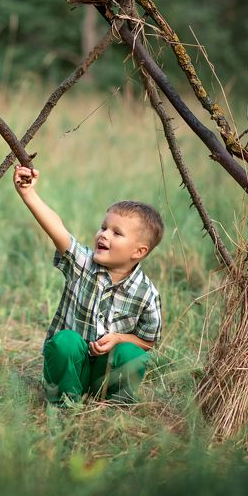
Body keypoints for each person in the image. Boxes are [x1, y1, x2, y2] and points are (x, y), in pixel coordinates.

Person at [12, 165, 163, 405]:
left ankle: (114, 405)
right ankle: (64, 402)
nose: (104, 235)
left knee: (132, 354)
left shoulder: (146, 295)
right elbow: (58, 230)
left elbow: (147, 341)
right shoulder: (83, 264)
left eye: (116, 233)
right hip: (72, 368)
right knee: (65, 342)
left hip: (105, 374)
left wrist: (119, 338)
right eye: (103, 227)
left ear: (139, 251)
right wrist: (29, 194)